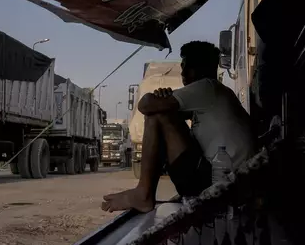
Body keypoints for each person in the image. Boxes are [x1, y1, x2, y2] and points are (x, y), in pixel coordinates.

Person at [101, 41, 256, 213]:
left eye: (186, 67)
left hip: (220, 183)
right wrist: (164, 100)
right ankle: (143, 192)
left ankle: (143, 193)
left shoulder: (206, 87)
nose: (182, 73)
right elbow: (172, 117)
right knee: (163, 111)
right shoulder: (216, 94)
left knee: (157, 114)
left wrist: (157, 99)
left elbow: (146, 106)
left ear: (198, 68)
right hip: (230, 180)